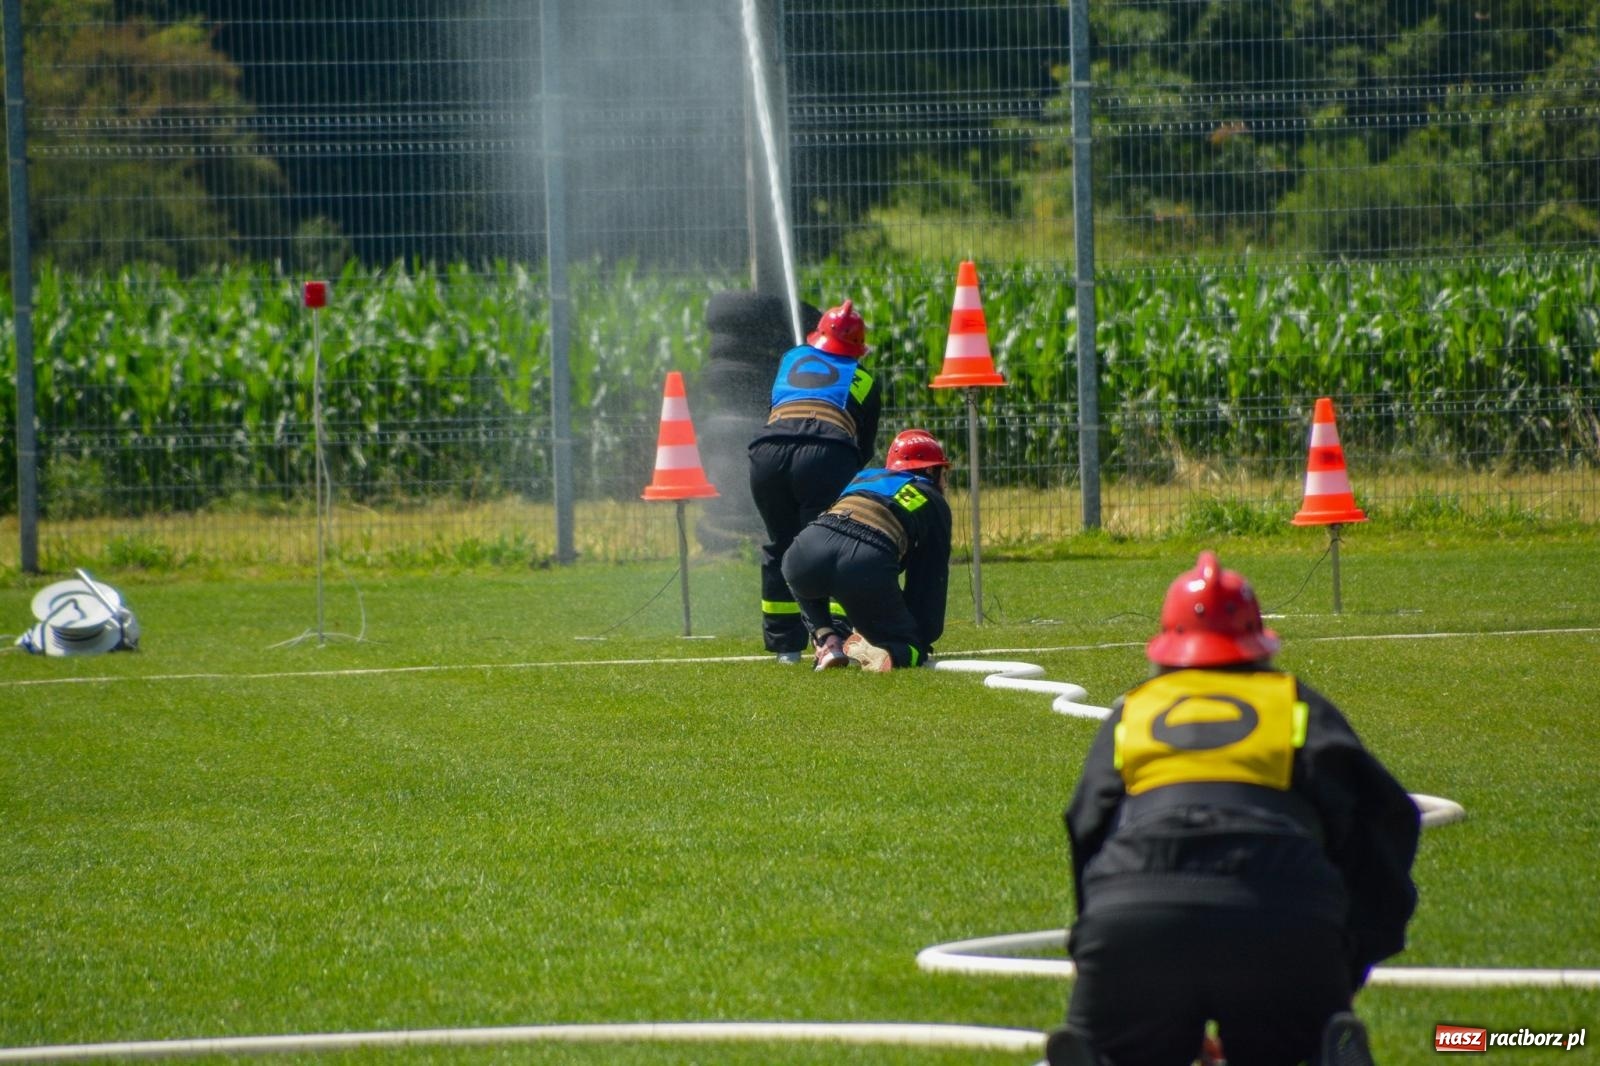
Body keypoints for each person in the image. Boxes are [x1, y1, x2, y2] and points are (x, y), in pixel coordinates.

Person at [1048, 551, 1419, 1066]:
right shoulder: (1297, 705)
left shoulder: (1132, 712)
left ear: (1165, 650)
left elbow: (1085, 830)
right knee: (1299, 1051)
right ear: (1258, 646)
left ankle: (1100, 1050)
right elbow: (1385, 824)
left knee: (1112, 1051)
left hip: (1134, 912)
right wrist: (1347, 957)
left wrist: (1108, 956)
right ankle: (1321, 1049)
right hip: (1284, 913)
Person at [748, 300, 884, 663]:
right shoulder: (865, 379)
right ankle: (833, 640)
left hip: (767, 453)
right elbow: (863, 447)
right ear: (857, 348)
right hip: (826, 455)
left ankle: (785, 648)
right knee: (825, 550)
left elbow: (775, 409)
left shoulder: (791, 359)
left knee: (781, 545)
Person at [780, 428, 951, 673]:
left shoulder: (864, 477)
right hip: (864, 562)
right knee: (911, 646)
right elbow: (930, 577)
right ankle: (884, 652)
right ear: (930, 471)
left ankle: (827, 639)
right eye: (944, 473)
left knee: (807, 578)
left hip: (805, 552)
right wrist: (920, 635)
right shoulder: (932, 498)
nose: (945, 483)